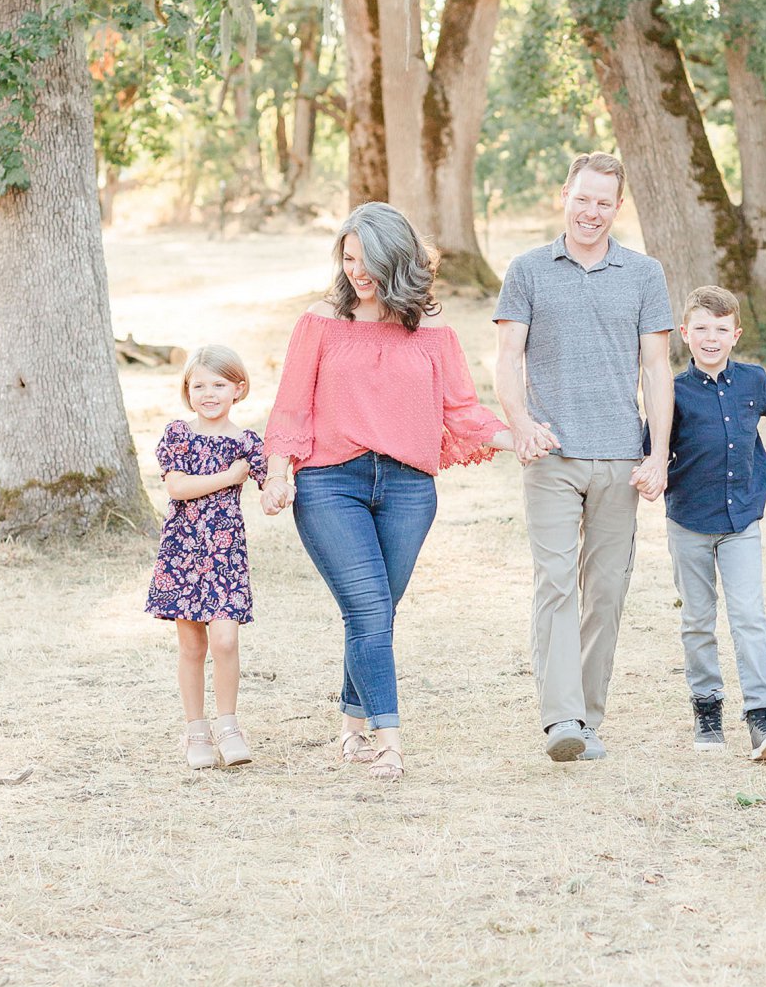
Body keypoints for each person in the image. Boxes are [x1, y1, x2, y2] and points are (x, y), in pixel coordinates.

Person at [264, 202, 515, 783]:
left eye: (367, 259)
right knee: (371, 608)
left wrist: (518, 437)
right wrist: (280, 473)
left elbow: (463, 412)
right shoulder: (320, 323)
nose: (356, 271)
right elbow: (291, 406)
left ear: (396, 260)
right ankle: (388, 740)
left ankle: (351, 724)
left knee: (374, 611)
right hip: (330, 484)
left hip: (407, 489)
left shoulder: (433, 334)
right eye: (348, 258)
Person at [494, 153, 674, 763]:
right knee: (554, 585)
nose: (591, 212)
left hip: (622, 457)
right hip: (551, 454)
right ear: (564, 195)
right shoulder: (527, 270)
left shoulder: (645, 274)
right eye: (583, 198)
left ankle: (588, 718)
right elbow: (507, 358)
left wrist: (659, 453)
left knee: (605, 591)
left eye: (604, 202)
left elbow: (656, 367)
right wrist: (520, 423)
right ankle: (561, 721)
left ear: (617, 208)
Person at [654, 285, 766, 760]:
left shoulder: (754, 381)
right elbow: (654, 448)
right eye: (701, 329)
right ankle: (707, 709)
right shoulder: (671, 391)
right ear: (684, 334)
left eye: (720, 330)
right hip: (690, 520)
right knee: (697, 620)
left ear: (735, 334)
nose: (710, 338)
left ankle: (762, 716)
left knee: (749, 617)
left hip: (741, 521)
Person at [146, 346, 266, 770]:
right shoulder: (179, 434)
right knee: (192, 645)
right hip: (183, 551)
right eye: (199, 385)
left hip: (225, 552)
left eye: (218, 384)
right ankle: (196, 730)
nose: (209, 393)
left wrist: (277, 490)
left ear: (239, 388)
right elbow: (177, 487)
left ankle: (229, 725)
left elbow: (273, 485)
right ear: (187, 390)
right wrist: (231, 478)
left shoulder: (249, 441)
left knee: (225, 639)